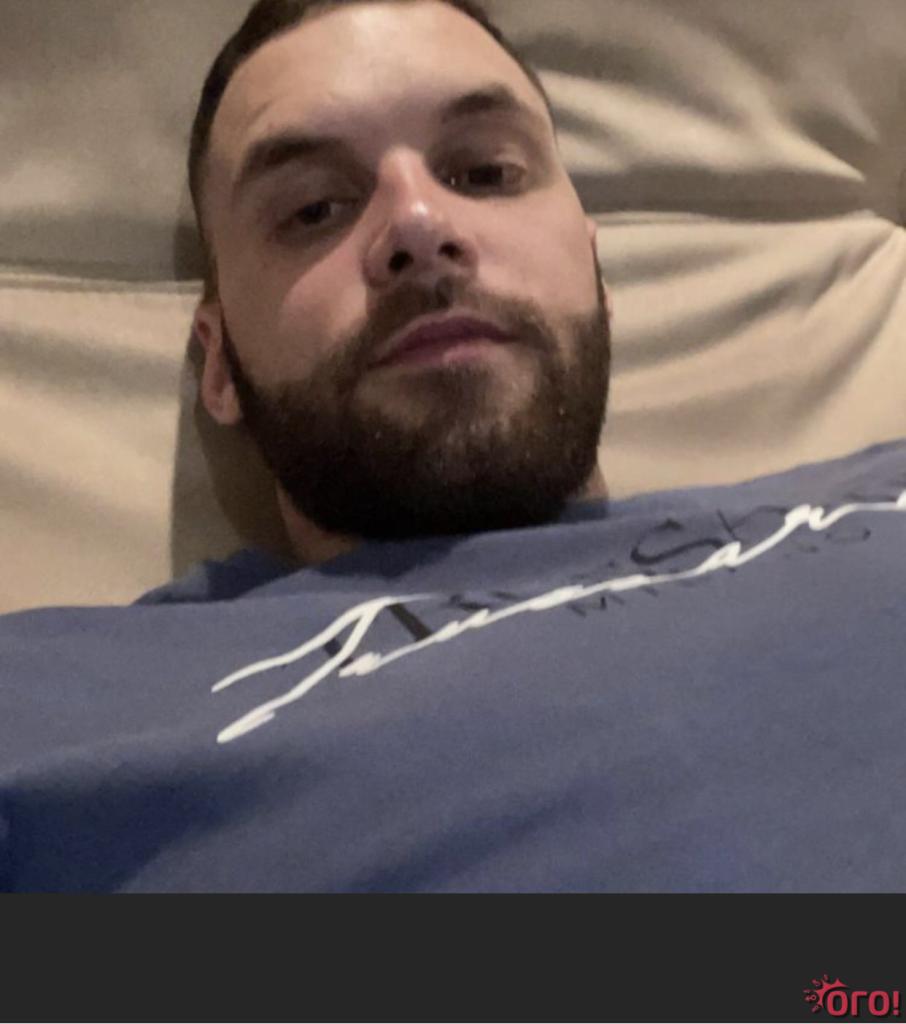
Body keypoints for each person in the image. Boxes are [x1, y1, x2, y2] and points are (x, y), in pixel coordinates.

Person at [1, 0, 905, 892]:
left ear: (596, 273)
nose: (419, 225)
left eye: (484, 172)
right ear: (220, 364)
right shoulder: (62, 707)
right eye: (314, 209)